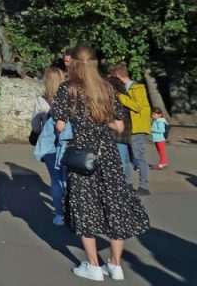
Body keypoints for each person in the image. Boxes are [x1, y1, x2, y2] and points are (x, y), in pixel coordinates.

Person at [51, 44, 149, 281]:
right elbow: (119, 126)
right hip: (108, 153)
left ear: (73, 63)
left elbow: (60, 125)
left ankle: (93, 266)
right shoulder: (107, 88)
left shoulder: (68, 89)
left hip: (82, 154)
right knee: (114, 202)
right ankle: (115, 265)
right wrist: (101, 121)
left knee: (84, 205)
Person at [31, 66, 66, 225]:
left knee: (55, 179)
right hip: (67, 143)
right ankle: (72, 210)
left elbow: (35, 126)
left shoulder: (41, 100)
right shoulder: (69, 99)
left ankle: (59, 214)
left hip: (49, 145)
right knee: (68, 178)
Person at [111, 65, 151, 196]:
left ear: (118, 76)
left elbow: (137, 106)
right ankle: (128, 183)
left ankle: (144, 186)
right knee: (127, 158)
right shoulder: (126, 88)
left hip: (137, 128)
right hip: (129, 128)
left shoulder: (137, 87)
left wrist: (120, 96)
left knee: (139, 157)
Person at [107, 75, 134, 181]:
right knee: (123, 161)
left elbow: (117, 121)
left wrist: (105, 122)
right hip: (124, 136)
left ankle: (119, 186)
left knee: (119, 163)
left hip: (116, 135)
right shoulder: (124, 97)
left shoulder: (115, 100)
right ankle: (125, 185)